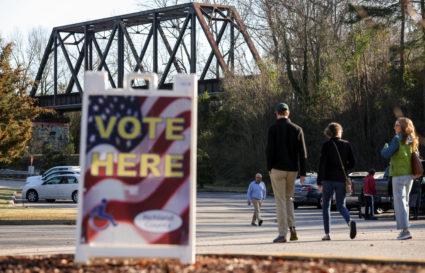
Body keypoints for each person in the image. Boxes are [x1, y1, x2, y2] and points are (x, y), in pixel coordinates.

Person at [266, 102, 307, 243]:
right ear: (288, 113)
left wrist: (269, 167)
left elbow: (269, 151)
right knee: (289, 199)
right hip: (292, 170)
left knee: (280, 201)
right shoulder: (297, 129)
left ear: (277, 113)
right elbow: (303, 153)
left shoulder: (273, 129)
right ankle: (293, 229)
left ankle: (282, 234)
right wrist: (303, 173)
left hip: (277, 169)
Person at [317, 122, 356, 241]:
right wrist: (344, 166)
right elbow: (353, 162)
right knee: (340, 205)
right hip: (341, 179)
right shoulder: (347, 144)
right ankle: (349, 221)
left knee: (326, 206)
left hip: (328, 180)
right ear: (339, 132)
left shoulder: (326, 145)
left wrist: (319, 181)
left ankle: (327, 234)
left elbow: (322, 164)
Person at [381, 117, 419, 240]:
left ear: (402, 127)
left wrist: (385, 146)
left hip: (398, 175)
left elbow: (386, 154)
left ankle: (405, 230)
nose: (394, 127)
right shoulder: (412, 139)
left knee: (399, 203)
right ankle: (405, 229)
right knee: (405, 202)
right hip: (410, 175)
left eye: (396, 125)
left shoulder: (397, 139)